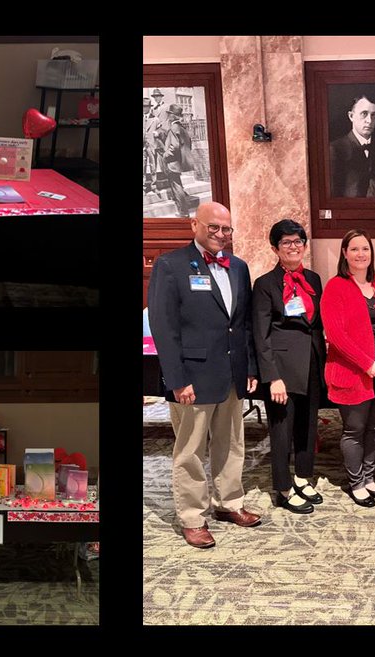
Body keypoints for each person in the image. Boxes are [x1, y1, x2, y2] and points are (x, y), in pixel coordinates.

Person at [147, 201, 260, 547]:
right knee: (190, 450)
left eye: (227, 229)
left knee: (232, 444)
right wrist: (177, 379)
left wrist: (250, 367)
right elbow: (163, 328)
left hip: (231, 374)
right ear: (194, 225)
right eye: (214, 227)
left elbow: (243, 326)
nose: (221, 235)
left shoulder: (239, 267)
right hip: (192, 378)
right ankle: (192, 517)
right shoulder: (171, 265)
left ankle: (229, 503)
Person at [322, 228, 375, 506]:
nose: (361, 254)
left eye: (365, 249)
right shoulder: (336, 287)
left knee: (374, 429)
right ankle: (356, 483)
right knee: (354, 429)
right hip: (353, 372)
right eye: (354, 249)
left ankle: (369, 478)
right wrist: (366, 363)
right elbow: (335, 335)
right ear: (345, 254)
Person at [253, 220, 327, 514]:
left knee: (308, 425)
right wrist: (272, 377)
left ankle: (303, 477)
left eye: (298, 241)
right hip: (282, 369)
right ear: (275, 248)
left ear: (305, 245)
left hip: (311, 362)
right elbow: (261, 334)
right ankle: (283, 488)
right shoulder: (265, 284)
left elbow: (316, 324)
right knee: (282, 429)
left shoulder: (314, 279)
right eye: (286, 243)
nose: (294, 247)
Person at [330, 95, 375, 197]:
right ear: (351, 116)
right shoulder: (336, 149)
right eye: (364, 114)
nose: (369, 120)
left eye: (373, 115)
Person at [160, 104, 194, 217]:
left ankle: (183, 213)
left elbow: (174, 146)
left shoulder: (174, 127)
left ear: (174, 116)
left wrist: (165, 155)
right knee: (178, 185)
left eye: (170, 114)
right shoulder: (181, 128)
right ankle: (183, 209)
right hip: (177, 162)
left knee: (177, 186)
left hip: (173, 162)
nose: (168, 116)